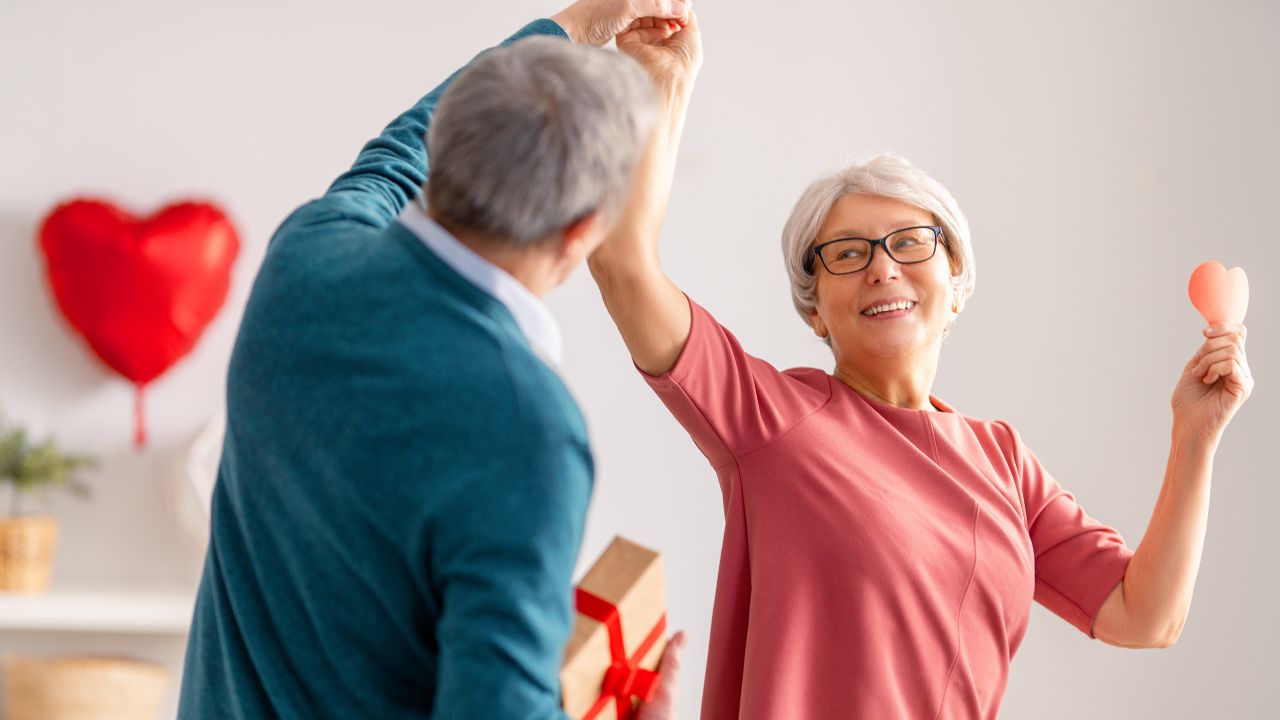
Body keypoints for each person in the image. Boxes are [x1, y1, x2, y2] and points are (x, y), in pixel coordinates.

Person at [586, 36, 1254, 720]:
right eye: (847, 254)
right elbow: (622, 265)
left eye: (910, 243)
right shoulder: (772, 418)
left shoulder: (1004, 462)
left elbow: (1145, 616)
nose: (882, 268)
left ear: (957, 285)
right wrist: (659, 88)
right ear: (814, 311)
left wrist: (1194, 436)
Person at [177, 2, 697, 717]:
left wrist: (576, 21)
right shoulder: (528, 428)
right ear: (581, 232)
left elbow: (396, 152)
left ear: (447, 151)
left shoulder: (305, 256)